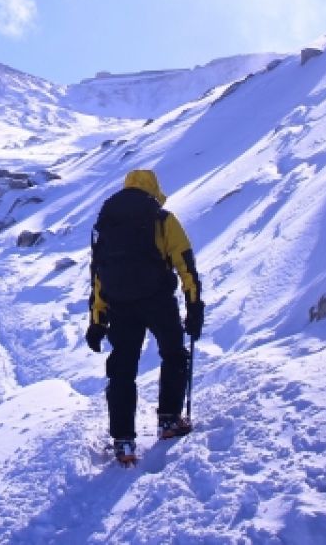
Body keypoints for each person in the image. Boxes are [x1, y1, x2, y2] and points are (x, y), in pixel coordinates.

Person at [86, 168, 204, 465]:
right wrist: (194, 306)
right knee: (174, 355)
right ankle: (169, 420)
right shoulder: (161, 218)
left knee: (122, 370)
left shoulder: (105, 223)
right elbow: (184, 263)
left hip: (119, 305)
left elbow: (98, 275)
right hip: (157, 300)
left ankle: (123, 441)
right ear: (152, 190)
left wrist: (97, 321)